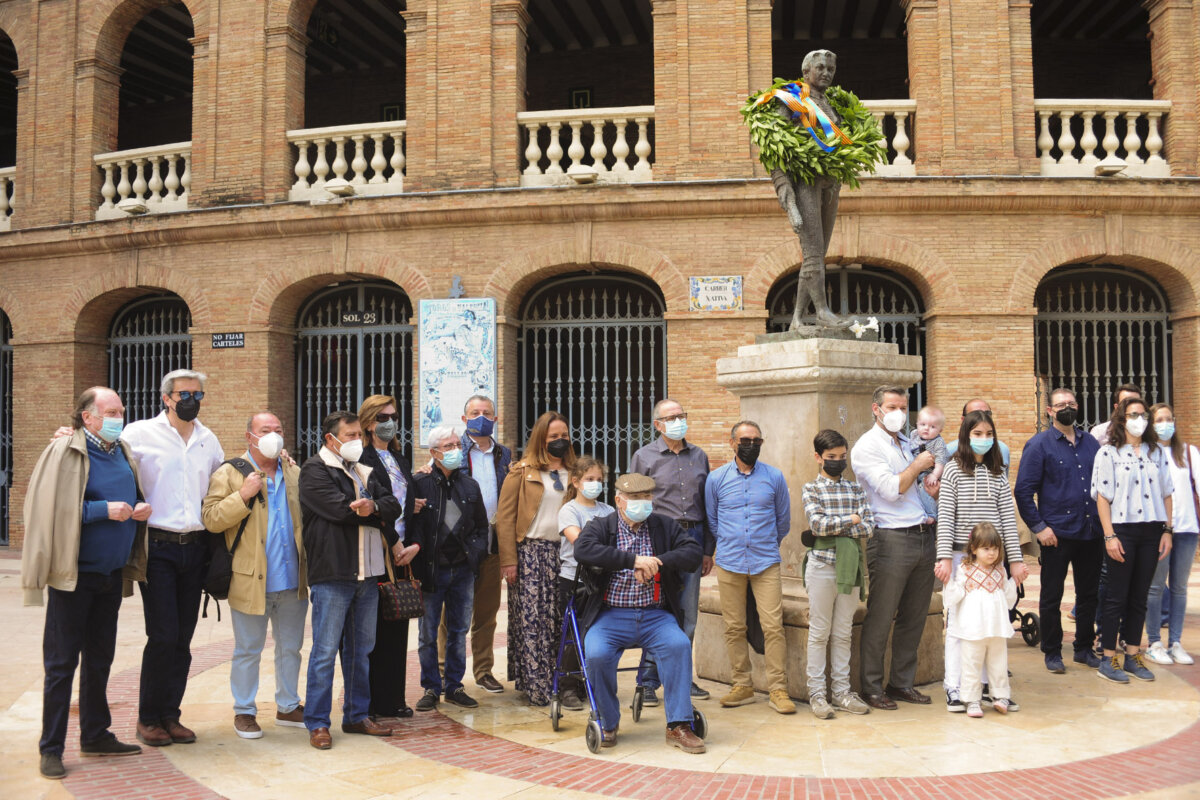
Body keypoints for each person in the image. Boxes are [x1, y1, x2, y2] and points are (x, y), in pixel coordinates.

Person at [23, 387, 150, 779]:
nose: (119, 416)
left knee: (100, 660)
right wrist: (102, 510)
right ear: (88, 416)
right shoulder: (65, 451)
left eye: (121, 410)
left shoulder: (122, 451)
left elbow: (127, 495)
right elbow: (47, 507)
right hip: (72, 576)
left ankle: (95, 734)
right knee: (61, 664)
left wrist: (137, 510)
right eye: (111, 411)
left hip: (109, 576)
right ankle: (51, 748)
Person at [122, 369, 225, 747]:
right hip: (158, 546)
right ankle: (148, 717)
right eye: (184, 394)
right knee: (162, 634)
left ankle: (171, 715)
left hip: (195, 547)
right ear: (166, 397)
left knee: (183, 638)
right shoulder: (138, 434)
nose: (191, 400)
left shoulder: (207, 438)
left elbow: (217, 487)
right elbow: (110, 465)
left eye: (197, 394)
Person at [574, 473, 705, 753]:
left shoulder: (662, 526)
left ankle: (678, 725)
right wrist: (633, 561)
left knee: (679, 645)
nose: (642, 503)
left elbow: (693, 552)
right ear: (619, 500)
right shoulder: (602, 526)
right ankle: (608, 722)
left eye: (647, 497)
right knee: (596, 654)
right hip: (611, 615)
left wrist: (657, 562)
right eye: (635, 498)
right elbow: (583, 549)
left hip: (655, 615)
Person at [202, 412, 308, 740]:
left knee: (291, 648)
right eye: (266, 430)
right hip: (251, 580)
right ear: (250, 436)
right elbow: (211, 518)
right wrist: (243, 495)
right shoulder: (230, 473)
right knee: (248, 649)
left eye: (278, 429)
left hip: (292, 579)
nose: (273, 435)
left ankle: (288, 705)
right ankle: (244, 710)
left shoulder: (294, 472)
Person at [299, 411, 401, 749]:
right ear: (331, 439)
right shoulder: (315, 469)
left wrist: (371, 507)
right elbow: (340, 510)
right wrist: (372, 510)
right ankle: (317, 722)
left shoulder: (365, 470)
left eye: (360, 433)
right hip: (334, 574)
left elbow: (393, 506)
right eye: (351, 434)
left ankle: (357, 715)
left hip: (368, 574)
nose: (358, 440)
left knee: (361, 651)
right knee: (325, 651)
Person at [850, 385, 936, 710]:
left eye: (903, 406)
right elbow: (891, 489)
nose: (898, 412)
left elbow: (919, 486)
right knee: (882, 615)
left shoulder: (909, 442)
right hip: (889, 538)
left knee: (914, 616)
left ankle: (901, 682)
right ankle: (871, 687)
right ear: (876, 409)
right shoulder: (867, 447)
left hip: (922, 534)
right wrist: (918, 465)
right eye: (892, 406)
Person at [934, 410, 1026, 712]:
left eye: (988, 434)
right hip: (962, 559)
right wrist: (945, 557)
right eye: (977, 434)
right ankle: (955, 687)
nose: (984, 440)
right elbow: (945, 517)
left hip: (993, 558)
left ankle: (987, 688)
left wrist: (1013, 560)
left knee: (990, 627)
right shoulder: (951, 471)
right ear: (965, 435)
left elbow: (1008, 522)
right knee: (960, 627)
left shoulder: (998, 472)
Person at [627, 398, 714, 704]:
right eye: (672, 417)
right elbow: (632, 500)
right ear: (658, 424)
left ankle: (681, 677)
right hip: (658, 539)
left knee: (687, 614)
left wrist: (707, 549)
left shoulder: (699, 456)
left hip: (692, 538)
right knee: (658, 611)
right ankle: (648, 681)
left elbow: (706, 505)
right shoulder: (644, 456)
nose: (679, 420)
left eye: (681, 415)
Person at [706, 420, 795, 715]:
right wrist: (732, 542)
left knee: (773, 626)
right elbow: (713, 520)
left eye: (756, 441)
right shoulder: (716, 479)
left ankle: (778, 690)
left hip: (765, 561)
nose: (751, 445)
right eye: (745, 440)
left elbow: (783, 521)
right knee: (734, 627)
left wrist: (763, 542)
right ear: (732, 442)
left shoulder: (774, 477)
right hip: (730, 562)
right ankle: (741, 684)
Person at [1014, 387, 1103, 674]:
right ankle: (1052, 651)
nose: (1068, 407)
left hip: (1091, 530)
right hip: (1056, 535)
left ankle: (1084, 648)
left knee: (1089, 594)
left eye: (1072, 403)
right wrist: (1039, 528)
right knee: (1051, 596)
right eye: (1061, 404)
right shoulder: (1038, 445)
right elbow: (1023, 491)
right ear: (1050, 411)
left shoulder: (1092, 443)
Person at [1091, 396, 1174, 683]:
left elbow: (1166, 493)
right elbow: (1102, 498)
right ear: (1121, 419)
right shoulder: (1108, 453)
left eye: (1142, 414)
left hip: (1151, 531)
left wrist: (1167, 530)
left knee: (1140, 597)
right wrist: (1109, 535)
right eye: (1132, 414)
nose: (1138, 419)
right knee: (1116, 597)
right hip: (1122, 531)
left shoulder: (1156, 452)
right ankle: (1108, 658)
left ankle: (1133, 656)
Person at [497, 410, 575, 706]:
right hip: (531, 555)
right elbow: (505, 519)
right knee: (535, 622)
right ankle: (538, 685)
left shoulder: (576, 472)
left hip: (566, 554)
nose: (559, 441)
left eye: (564, 436)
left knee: (561, 621)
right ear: (541, 438)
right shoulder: (522, 471)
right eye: (553, 436)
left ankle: (565, 682)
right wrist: (508, 560)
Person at [411, 425, 490, 712]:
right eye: (448, 446)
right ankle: (431, 687)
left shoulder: (470, 485)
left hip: (463, 571)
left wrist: (477, 554)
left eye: (457, 445)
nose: (455, 450)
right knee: (427, 634)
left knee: (458, 631)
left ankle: (454, 685)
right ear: (433, 453)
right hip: (432, 571)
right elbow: (412, 525)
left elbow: (482, 527)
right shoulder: (418, 483)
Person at [437, 395, 512, 696]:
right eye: (475, 412)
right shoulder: (453, 449)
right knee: (451, 613)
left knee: (487, 612)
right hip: (459, 543)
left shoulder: (504, 455)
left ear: (496, 419)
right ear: (464, 418)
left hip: (493, 541)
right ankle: (444, 672)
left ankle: (483, 670)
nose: (481, 417)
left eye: (487, 413)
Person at [356, 395, 423, 722]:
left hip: (402, 552)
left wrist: (410, 545)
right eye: (383, 416)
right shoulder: (362, 458)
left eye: (393, 415)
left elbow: (405, 503)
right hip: (377, 548)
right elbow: (372, 503)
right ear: (369, 422)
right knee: (373, 631)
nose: (390, 421)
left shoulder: (399, 457)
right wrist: (394, 543)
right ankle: (369, 701)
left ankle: (393, 698)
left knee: (397, 627)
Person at [769, 49, 846, 327]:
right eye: (821, 68)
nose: (826, 73)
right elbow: (771, 147)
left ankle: (797, 319)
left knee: (817, 254)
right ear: (806, 72)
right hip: (805, 184)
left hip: (830, 184)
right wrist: (784, 192)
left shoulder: (830, 104)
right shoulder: (792, 101)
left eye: (831, 69)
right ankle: (823, 312)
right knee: (814, 253)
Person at [800, 429, 873, 719]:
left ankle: (842, 691)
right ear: (818, 458)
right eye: (832, 457)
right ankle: (817, 694)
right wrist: (851, 520)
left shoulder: (856, 489)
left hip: (850, 567)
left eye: (842, 457)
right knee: (819, 632)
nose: (838, 462)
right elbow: (817, 525)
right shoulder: (811, 489)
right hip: (821, 566)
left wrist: (841, 524)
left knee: (843, 632)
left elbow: (868, 527)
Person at [942, 523, 1018, 718]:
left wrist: (1015, 581)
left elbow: (1008, 599)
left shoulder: (1000, 570)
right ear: (974, 549)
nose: (991, 553)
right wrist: (946, 581)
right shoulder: (965, 570)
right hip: (973, 627)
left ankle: (1000, 695)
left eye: (995, 549)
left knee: (998, 663)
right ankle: (972, 699)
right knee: (971, 663)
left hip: (997, 627)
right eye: (986, 548)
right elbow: (956, 595)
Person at [556, 456, 615, 709]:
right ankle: (569, 685)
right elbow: (580, 544)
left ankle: (591, 680)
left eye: (599, 480)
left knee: (599, 632)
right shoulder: (569, 510)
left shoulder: (609, 511)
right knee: (575, 632)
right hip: (575, 580)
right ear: (576, 482)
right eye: (589, 479)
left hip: (604, 580)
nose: (595, 484)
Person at [1144, 403, 1198, 666]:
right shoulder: (1146, 453)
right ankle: (1154, 641)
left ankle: (1175, 641)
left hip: (1187, 529)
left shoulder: (1188, 453)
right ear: (1151, 424)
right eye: (1159, 419)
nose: (1165, 423)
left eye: (1169, 418)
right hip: (1158, 531)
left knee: (1178, 588)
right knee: (1155, 587)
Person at [944, 399, 1011, 469]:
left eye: (987, 414)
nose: (982, 417)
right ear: (963, 420)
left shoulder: (1002, 450)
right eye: (975, 414)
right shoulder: (949, 451)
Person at [911, 405, 948, 524]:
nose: (926, 428)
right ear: (917, 424)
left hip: (929, 472)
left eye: (932, 427)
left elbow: (940, 462)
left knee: (924, 487)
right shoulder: (914, 435)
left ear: (940, 430)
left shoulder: (938, 442)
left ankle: (931, 514)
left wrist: (934, 476)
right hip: (915, 470)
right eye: (923, 424)